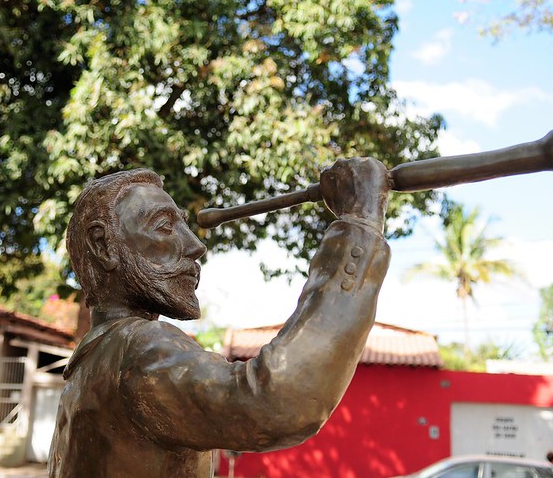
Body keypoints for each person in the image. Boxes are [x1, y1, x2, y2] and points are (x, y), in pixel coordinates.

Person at [48, 158, 392, 477]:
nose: (196, 245)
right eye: (165, 227)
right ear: (103, 245)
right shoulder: (137, 349)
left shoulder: (85, 368)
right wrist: (358, 225)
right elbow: (278, 401)